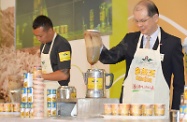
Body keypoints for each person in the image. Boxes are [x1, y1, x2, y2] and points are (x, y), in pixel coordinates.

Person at [84, 0, 185, 111]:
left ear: (155, 18)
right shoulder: (130, 40)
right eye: (136, 21)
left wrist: (176, 111)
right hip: (130, 108)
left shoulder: (172, 43)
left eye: (143, 20)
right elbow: (109, 57)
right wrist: (97, 44)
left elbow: (179, 83)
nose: (139, 25)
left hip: (158, 109)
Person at [32, 15, 72, 116]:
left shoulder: (62, 44)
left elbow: (64, 75)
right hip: (46, 94)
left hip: (59, 96)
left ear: (50, 30)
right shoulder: (43, 45)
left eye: (40, 36)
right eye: (36, 36)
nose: (38, 39)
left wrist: (40, 76)